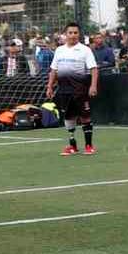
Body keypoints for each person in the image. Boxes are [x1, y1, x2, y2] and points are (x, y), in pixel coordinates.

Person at [47, 23, 100, 155]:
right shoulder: (59, 50)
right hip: (64, 90)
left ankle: (89, 145)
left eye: (75, 33)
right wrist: (49, 86)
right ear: (65, 34)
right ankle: (72, 146)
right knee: (69, 117)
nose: (73, 35)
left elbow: (94, 69)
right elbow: (54, 69)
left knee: (85, 117)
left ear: (79, 34)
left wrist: (93, 86)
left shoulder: (85, 50)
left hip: (81, 89)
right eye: (70, 33)